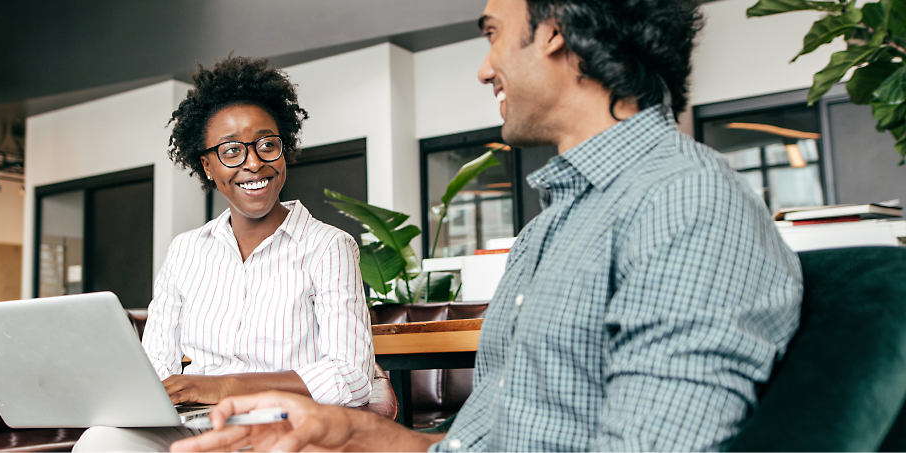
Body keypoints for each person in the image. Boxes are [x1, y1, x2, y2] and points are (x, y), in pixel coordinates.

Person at [170, 0, 803, 452]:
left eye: (494, 32)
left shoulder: (685, 206)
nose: (484, 67)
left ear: (555, 31)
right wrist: (367, 438)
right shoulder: (550, 231)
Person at [72, 56, 374, 452]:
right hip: (195, 426)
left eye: (267, 145)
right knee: (102, 442)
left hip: (283, 428)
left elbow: (349, 376)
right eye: (232, 151)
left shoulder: (328, 246)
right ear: (208, 165)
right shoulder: (186, 251)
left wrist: (222, 386)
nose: (254, 163)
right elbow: (157, 367)